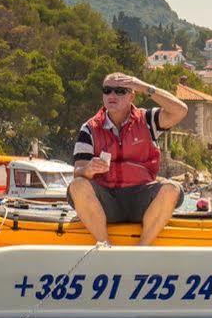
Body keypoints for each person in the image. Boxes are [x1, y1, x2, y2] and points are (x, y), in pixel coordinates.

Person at [69, 72, 188, 245]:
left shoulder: (147, 120)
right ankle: (104, 245)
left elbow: (181, 110)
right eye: (107, 90)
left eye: (120, 91)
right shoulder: (89, 128)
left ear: (132, 95)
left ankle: (141, 249)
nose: (112, 95)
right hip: (107, 201)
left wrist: (144, 87)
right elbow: (78, 173)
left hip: (142, 198)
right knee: (77, 185)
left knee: (172, 188)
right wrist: (87, 169)